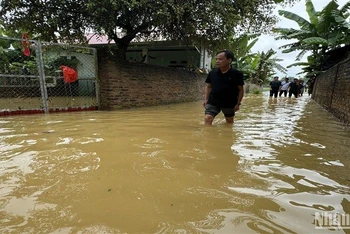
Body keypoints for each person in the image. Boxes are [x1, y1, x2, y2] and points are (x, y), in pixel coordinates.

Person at [203, 50, 244, 125]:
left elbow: (240, 90)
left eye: (220, 59)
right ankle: (208, 136)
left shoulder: (237, 74)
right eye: (216, 59)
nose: (217, 61)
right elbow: (208, 86)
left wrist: (238, 104)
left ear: (229, 60)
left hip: (229, 102)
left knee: (229, 121)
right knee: (207, 118)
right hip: (213, 101)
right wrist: (206, 99)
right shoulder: (212, 73)